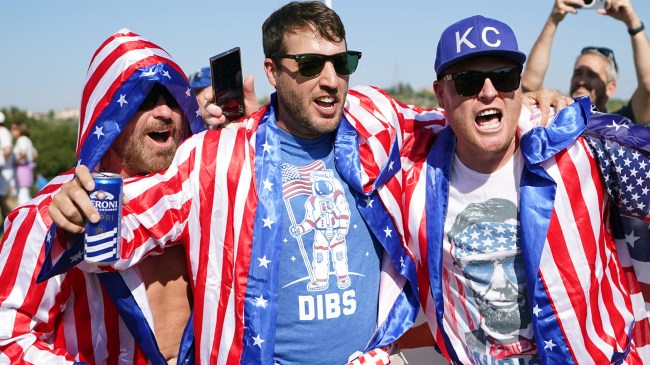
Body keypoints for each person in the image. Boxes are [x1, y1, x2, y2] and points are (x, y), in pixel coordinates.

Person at [45, 4, 572, 365]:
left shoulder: (375, 121)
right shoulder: (214, 157)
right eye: (311, 64)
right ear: (273, 71)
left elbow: (461, 119)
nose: (330, 79)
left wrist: (531, 107)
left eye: (341, 63)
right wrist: (75, 207)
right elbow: (124, 223)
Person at [398, 14, 649, 363]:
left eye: (504, 77)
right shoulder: (410, 178)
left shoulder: (580, 151)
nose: (488, 92)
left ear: (519, 85)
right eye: (468, 81)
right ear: (441, 94)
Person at [0, 29, 207, 364]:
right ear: (108, 117)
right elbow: (8, 339)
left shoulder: (203, 198)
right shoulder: (50, 214)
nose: (165, 112)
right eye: (144, 99)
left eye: (172, 99)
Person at [522, 0, 650, 125]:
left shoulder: (623, 123)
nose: (582, 80)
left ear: (610, 88)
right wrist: (553, 20)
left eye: (592, 75)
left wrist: (633, 22)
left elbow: (648, 85)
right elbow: (530, 84)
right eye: (578, 73)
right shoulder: (556, 117)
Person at [10, 121, 37, 205]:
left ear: (19, 130)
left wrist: (15, 161)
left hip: (21, 169)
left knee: (22, 194)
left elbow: (23, 152)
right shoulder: (27, 139)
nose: (11, 131)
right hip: (27, 168)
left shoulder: (21, 139)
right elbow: (35, 153)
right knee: (25, 192)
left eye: (13, 129)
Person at [0, 111, 12, 223]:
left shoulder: (3, 132)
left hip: (4, 170)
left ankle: (10, 223)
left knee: (4, 198)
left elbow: (7, 150)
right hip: (3, 169)